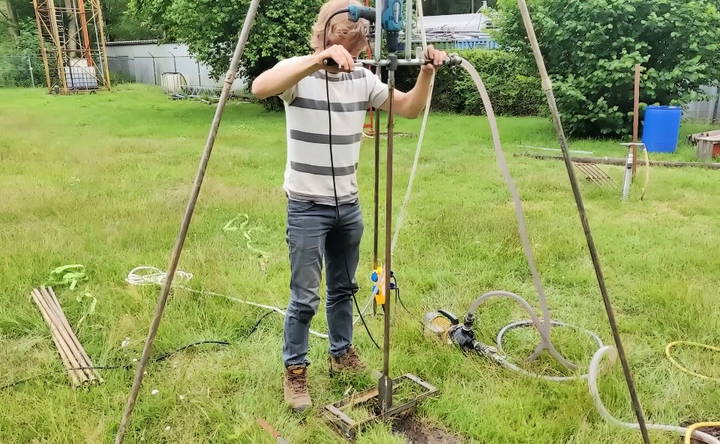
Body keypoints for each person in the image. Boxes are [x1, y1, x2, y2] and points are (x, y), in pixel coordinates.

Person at [251, 0, 448, 412]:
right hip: (307, 205)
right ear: (324, 35)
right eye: (346, 44)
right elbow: (260, 87)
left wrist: (426, 74)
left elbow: (409, 109)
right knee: (304, 297)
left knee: (344, 288)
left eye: (358, 47)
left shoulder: (362, 78)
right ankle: (295, 370)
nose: (352, 55)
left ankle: (341, 354)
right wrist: (315, 61)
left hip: (349, 206)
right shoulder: (298, 73)